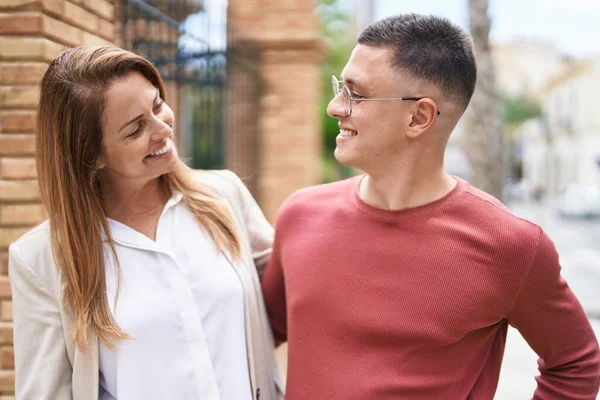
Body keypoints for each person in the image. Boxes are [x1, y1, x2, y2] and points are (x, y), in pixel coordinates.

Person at [261, 14, 600, 400]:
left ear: (419, 116)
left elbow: (576, 362)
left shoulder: (511, 245)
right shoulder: (299, 215)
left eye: (355, 94)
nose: (335, 107)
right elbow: (255, 330)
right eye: (342, 88)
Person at [9, 45, 282, 400]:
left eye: (156, 105)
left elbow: (293, 293)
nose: (162, 128)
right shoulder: (41, 259)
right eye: (135, 129)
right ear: (92, 155)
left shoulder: (223, 196)